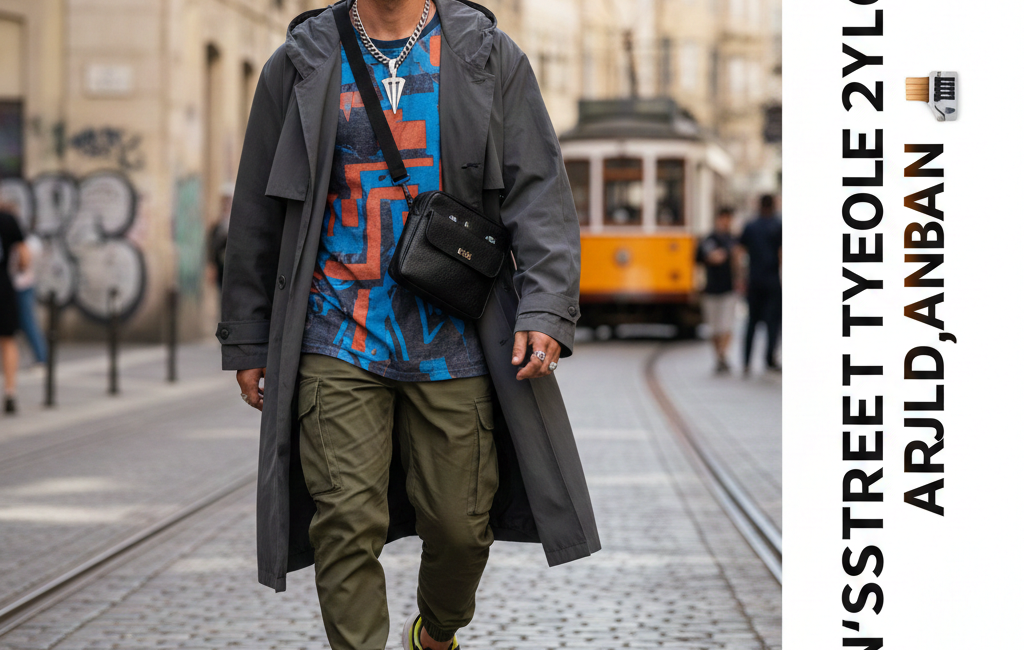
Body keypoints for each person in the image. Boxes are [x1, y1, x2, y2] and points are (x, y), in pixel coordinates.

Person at [216, 2, 599, 650]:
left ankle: (437, 631)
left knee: (459, 526)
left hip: (456, 338)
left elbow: (540, 192)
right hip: (334, 332)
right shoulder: (302, 62)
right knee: (343, 523)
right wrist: (248, 335)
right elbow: (256, 209)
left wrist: (544, 308)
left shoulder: (487, 56)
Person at [738, 193, 783, 374]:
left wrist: (741, 278)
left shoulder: (750, 226)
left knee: (751, 322)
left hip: (754, 279)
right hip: (772, 280)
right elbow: (782, 253)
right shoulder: (778, 225)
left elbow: (740, 252)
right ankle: (769, 358)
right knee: (773, 322)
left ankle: (746, 361)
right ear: (773, 205)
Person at [696, 207, 739, 373]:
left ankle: (722, 356)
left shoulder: (733, 239)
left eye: (729, 219)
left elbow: (736, 258)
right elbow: (708, 257)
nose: (726, 222)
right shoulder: (709, 239)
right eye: (724, 218)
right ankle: (720, 357)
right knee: (713, 329)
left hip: (729, 288)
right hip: (711, 289)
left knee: (726, 326)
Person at [0, 205, 29, 414]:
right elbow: (24, 256)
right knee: (8, 340)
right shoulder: (8, 219)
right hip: (3, 286)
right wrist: (20, 269)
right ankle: (10, 392)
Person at [13, 231, 47, 364]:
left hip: (22, 285)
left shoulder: (25, 241)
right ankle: (40, 356)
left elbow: (24, 262)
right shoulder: (32, 240)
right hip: (23, 284)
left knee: (27, 322)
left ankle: (41, 357)